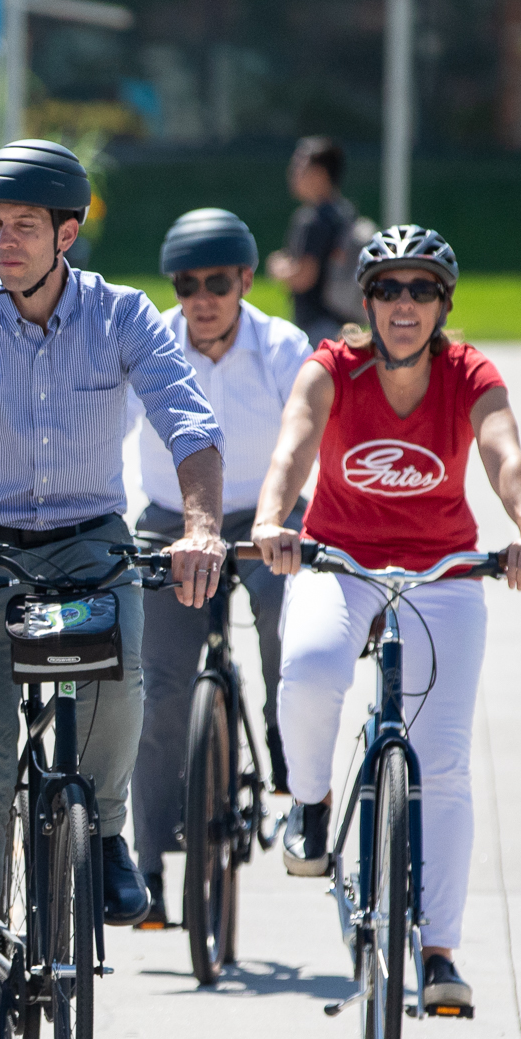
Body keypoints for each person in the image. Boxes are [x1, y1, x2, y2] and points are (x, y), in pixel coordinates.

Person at [0, 139, 229, 1039]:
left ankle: (109, 832)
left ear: (67, 234)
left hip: (86, 546)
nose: (3, 243)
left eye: (23, 228)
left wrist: (199, 526)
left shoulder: (121, 316)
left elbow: (188, 424)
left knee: (126, 671)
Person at [253, 225, 521, 1014]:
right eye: (389, 289)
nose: (405, 304)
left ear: (443, 304)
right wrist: (272, 519)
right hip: (339, 559)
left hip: (444, 570)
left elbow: (502, 453)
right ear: (368, 302)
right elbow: (292, 448)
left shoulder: (467, 373)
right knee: (312, 670)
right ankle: (312, 805)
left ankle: (440, 950)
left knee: (444, 761)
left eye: (422, 290)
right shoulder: (334, 369)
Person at [127, 208, 312, 928]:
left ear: (245, 279)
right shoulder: (152, 347)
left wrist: (289, 520)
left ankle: (281, 743)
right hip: (171, 521)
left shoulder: (280, 346)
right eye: (186, 283)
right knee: (156, 681)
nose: (202, 297)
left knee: (283, 617)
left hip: (266, 517)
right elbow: (107, 432)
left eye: (217, 282)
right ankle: (146, 860)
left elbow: (311, 435)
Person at [265, 137, 357, 348]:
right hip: (346, 322)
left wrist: (277, 267)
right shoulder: (345, 212)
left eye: (300, 167)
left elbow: (304, 277)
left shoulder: (312, 220)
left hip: (316, 327)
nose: (293, 173)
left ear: (320, 174)